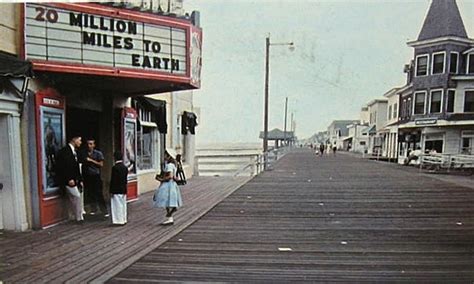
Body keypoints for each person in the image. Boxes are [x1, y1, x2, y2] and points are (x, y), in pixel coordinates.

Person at [56, 135, 84, 224]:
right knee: (76, 196)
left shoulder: (75, 151)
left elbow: (76, 166)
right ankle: (78, 217)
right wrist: (69, 178)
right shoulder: (65, 152)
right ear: (74, 139)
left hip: (75, 179)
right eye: (79, 140)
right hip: (69, 180)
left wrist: (80, 179)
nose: (80, 142)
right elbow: (64, 166)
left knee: (74, 197)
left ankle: (74, 216)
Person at [153, 149, 183, 225]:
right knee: (168, 200)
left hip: (168, 185)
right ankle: (170, 217)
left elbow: (170, 176)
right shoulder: (174, 165)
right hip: (172, 184)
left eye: (165, 155)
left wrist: (162, 179)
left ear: (168, 156)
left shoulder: (169, 165)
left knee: (164, 199)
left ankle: (170, 214)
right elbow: (175, 177)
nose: (164, 157)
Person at [81, 138, 108, 217]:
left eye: (91, 144)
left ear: (94, 145)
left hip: (95, 175)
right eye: (88, 144)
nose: (89, 146)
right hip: (87, 176)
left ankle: (104, 210)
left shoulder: (98, 153)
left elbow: (101, 164)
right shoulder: (84, 153)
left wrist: (91, 160)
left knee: (98, 193)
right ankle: (93, 209)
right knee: (90, 193)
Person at [110, 151, 128, 225]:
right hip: (123, 188)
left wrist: (111, 190)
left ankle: (118, 220)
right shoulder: (125, 167)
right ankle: (124, 218)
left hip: (116, 189)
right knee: (123, 204)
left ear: (114, 158)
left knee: (116, 205)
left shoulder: (115, 168)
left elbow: (113, 180)